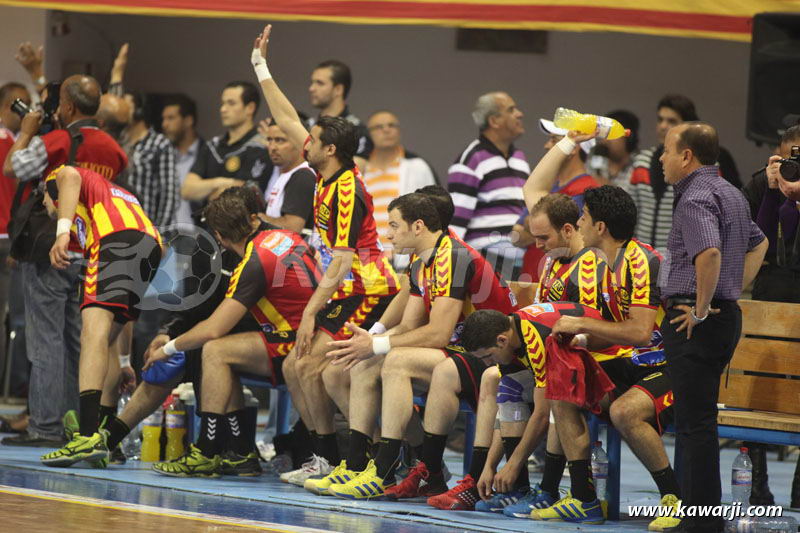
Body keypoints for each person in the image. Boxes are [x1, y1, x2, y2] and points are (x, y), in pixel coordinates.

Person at [251, 25, 399, 480]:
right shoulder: (324, 174)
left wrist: (312, 313)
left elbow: (342, 262)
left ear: (328, 149)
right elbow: (288, 117)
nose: (302, 143)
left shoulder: (349, 189)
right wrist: (260, 67)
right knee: (299, 366)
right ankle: (326, 459)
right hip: (343, 284)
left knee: (314, 363)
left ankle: (377, 456)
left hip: (368, 285)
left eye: (310, 141)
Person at [316, 192, 516, 500]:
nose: (388, 234)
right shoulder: (420, 261)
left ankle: (387, 469)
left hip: (492, 356)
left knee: (396, 361)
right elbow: (409, 325)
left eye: (394, 225)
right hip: (456, 352)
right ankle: (359, 465)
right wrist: (371, 340)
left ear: (418, 226)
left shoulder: (453, 257)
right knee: (364, 362)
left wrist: (379, 343)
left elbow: (437, 333)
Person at [143, 190, 319, 476]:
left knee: (215, 349)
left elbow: (212, 328)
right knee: (225, 351)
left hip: (297, 342)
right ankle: (240, 453)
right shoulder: (287, 236)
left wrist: (167, 348)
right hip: (313, 331)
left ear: (219, 237)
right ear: (252, 220)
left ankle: (206, 450)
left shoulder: (252, 262)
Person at [2, 75, 128, 448]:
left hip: (51, 250)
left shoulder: (55, 141)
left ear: (68, 107)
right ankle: (76, 424)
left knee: (45, 341)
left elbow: (13, 167)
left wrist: (25, 132)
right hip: (91, 252)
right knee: (80, 343)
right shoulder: (114, 148)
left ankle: (44, 426)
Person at [659, 122, 767, 533]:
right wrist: (733, 288)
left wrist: (702, 308)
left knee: (695, 423)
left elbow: (709, 254)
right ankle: (698, 518)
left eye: (667, 150)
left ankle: (701, 522)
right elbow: (759, 243)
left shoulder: (695, 198)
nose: (662, 158)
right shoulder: (731, 193)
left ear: (687, 156)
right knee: (697, 419)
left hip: (695, 320)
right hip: (724, 317)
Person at [38, 165, 161, 467]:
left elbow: (69, 177)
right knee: (106, 337)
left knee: (90, 333)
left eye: (43, 200)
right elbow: (125, 320)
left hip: (114, 242)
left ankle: (87, 436)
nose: (45, 205)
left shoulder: (64, 179)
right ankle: (106, 440)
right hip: (152, 248)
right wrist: (123, 363)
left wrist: (61, 232)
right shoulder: (115, 199)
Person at [741, 124, 800, 507]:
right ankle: (757, 482)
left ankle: (799, 487)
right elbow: (752, 236)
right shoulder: (763, 184)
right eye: (790, 156)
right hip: (768, 297)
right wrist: (772, 187)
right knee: (758, 389)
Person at [630, 94, 741, 252]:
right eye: (660, 119)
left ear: (686, 128)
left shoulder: (705, 167)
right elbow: (631, 212)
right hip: (641, 255)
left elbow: (716, 214)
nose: (663, 126)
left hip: (682, 257)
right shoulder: (642, 161)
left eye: (671, 121)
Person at [447, 92, 529, 280]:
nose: (520, 114)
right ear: (494, 121)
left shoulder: (520, 158)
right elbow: (456, 222)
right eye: (511, 110)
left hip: (521, 258)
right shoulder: (471, 159)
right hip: (487, 259)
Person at [181, 81, 271, 214]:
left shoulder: (261, 146)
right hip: (206, 230)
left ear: (250, 108)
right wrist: (221, 182)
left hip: (241, 229)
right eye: (223, 103)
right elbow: (187, 190)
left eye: (231, 103)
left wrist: (206, 188)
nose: (223, 109)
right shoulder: (212, 145)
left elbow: (246, 192)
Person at [363, 110, 436, 263]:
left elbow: (433, 214)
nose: (386, 130)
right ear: (369, 135)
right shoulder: (362, 172)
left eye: (391, 125)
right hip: (369, 259)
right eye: (379, 127)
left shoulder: (417, 167)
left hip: (408, 259)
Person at [0, 82, 32, 403]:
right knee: (19, 320)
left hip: (9, 241)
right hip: (10, 241)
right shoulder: (18, 147)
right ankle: (15, 389)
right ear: (12, 105)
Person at [307, 59, 371, 163]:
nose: (311, 88)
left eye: (320, 83)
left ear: (338, 90)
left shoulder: (356, 131)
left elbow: (355, 172)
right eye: (312, 82)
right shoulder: (308, 125)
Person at [261, 118, 316, 234]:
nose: (272, 147)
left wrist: (255, 220)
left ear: (299, 142)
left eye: (279, 140)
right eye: (269, 140)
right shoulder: (286, 174)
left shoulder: (303, 176)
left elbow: (292, 228)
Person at [161, 93, 201, 228]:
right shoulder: (162, 155)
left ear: (188, 120)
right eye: (164, 119)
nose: (164, 124)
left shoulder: (207, 153)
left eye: (171, 118)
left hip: (197, 238)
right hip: (163, 235)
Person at [587, 109, 640, 190]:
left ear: (629, 138)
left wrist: (609, 188)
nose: (605, 140)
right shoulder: (593, 159)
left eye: (611, 134)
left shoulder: (639, 166)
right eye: (603, 134)